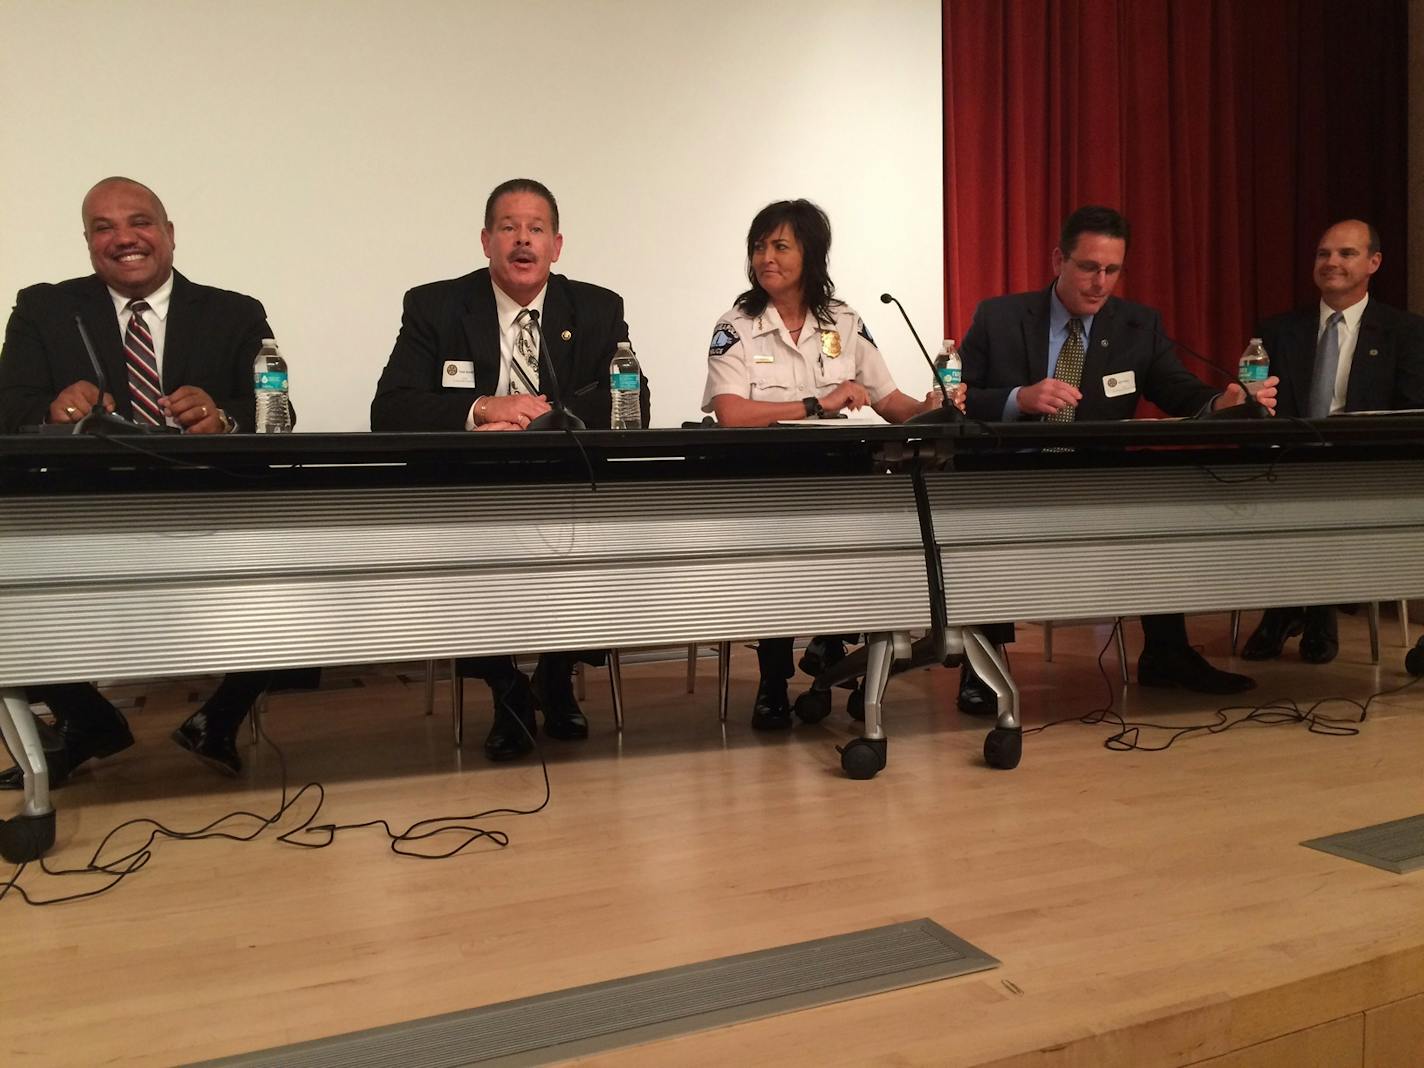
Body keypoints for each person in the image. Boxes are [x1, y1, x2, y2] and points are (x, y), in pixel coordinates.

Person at [0, 176, 276, 785]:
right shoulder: (46, 310)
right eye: (104, 227)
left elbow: (273, 414)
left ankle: (220, 718)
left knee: (294, 560)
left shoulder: (235, 311)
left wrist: (223, 417)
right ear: (88, 242)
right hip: (81, 508)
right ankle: (87, 718)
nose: (124, 237)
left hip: (206, 507)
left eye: (140, 222)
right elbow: (7, 407)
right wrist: (52, 409)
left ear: (169, 234)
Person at [371, 177, 649, 760]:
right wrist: (482, 408)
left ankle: (555, 673)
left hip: (564, 485)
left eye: (536, 229)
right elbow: (389, 407)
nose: (523, 241)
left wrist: (550, 415)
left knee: (588, 543)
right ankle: (507, 689)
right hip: (470, 489)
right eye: (508, 228)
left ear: (557, 245)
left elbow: (633, 401)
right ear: (485, 241)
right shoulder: (436, 305)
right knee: (465, 559)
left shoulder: (596, 308)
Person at [958, 204, 1276, 705]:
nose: (1100, 283)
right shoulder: (999, 317)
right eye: (1089, 267)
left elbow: (1178, 390)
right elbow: (955, 398)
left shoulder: (1137, 325)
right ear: (1059, 259)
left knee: (1162, 508)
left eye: (1112, 270)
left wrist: (1223, 402)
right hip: (1015, 469)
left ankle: (1167, 652)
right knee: (984, 521)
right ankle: (983, 669)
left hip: (1099, 475)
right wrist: (1019, 398)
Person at [702, 198, 962, 728]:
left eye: (780, 246)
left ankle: (845, 660)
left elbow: (892, 404)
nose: (765, 258)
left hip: (840, 480)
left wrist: (932, 408)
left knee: (876, 547)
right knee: (776, 571)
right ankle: (774, 682)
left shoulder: (844, 322)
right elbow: (730, 413)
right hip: (768, 484)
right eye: (758, 247)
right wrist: (816, 404)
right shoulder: (737, 324)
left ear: (811, 254)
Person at [1243, 219, 1424, 664]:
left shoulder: (1405, 332)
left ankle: (1302, 610)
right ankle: (1297, 609)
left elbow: (1410, 412)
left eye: (1346, 254)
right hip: (1287, 464)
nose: (1331, 263)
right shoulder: (1278, 330)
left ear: (1374, 263)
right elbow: (1263, 408)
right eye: (1323, 254)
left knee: (1321, 493)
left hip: (1366, 468)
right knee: (1253, 489)